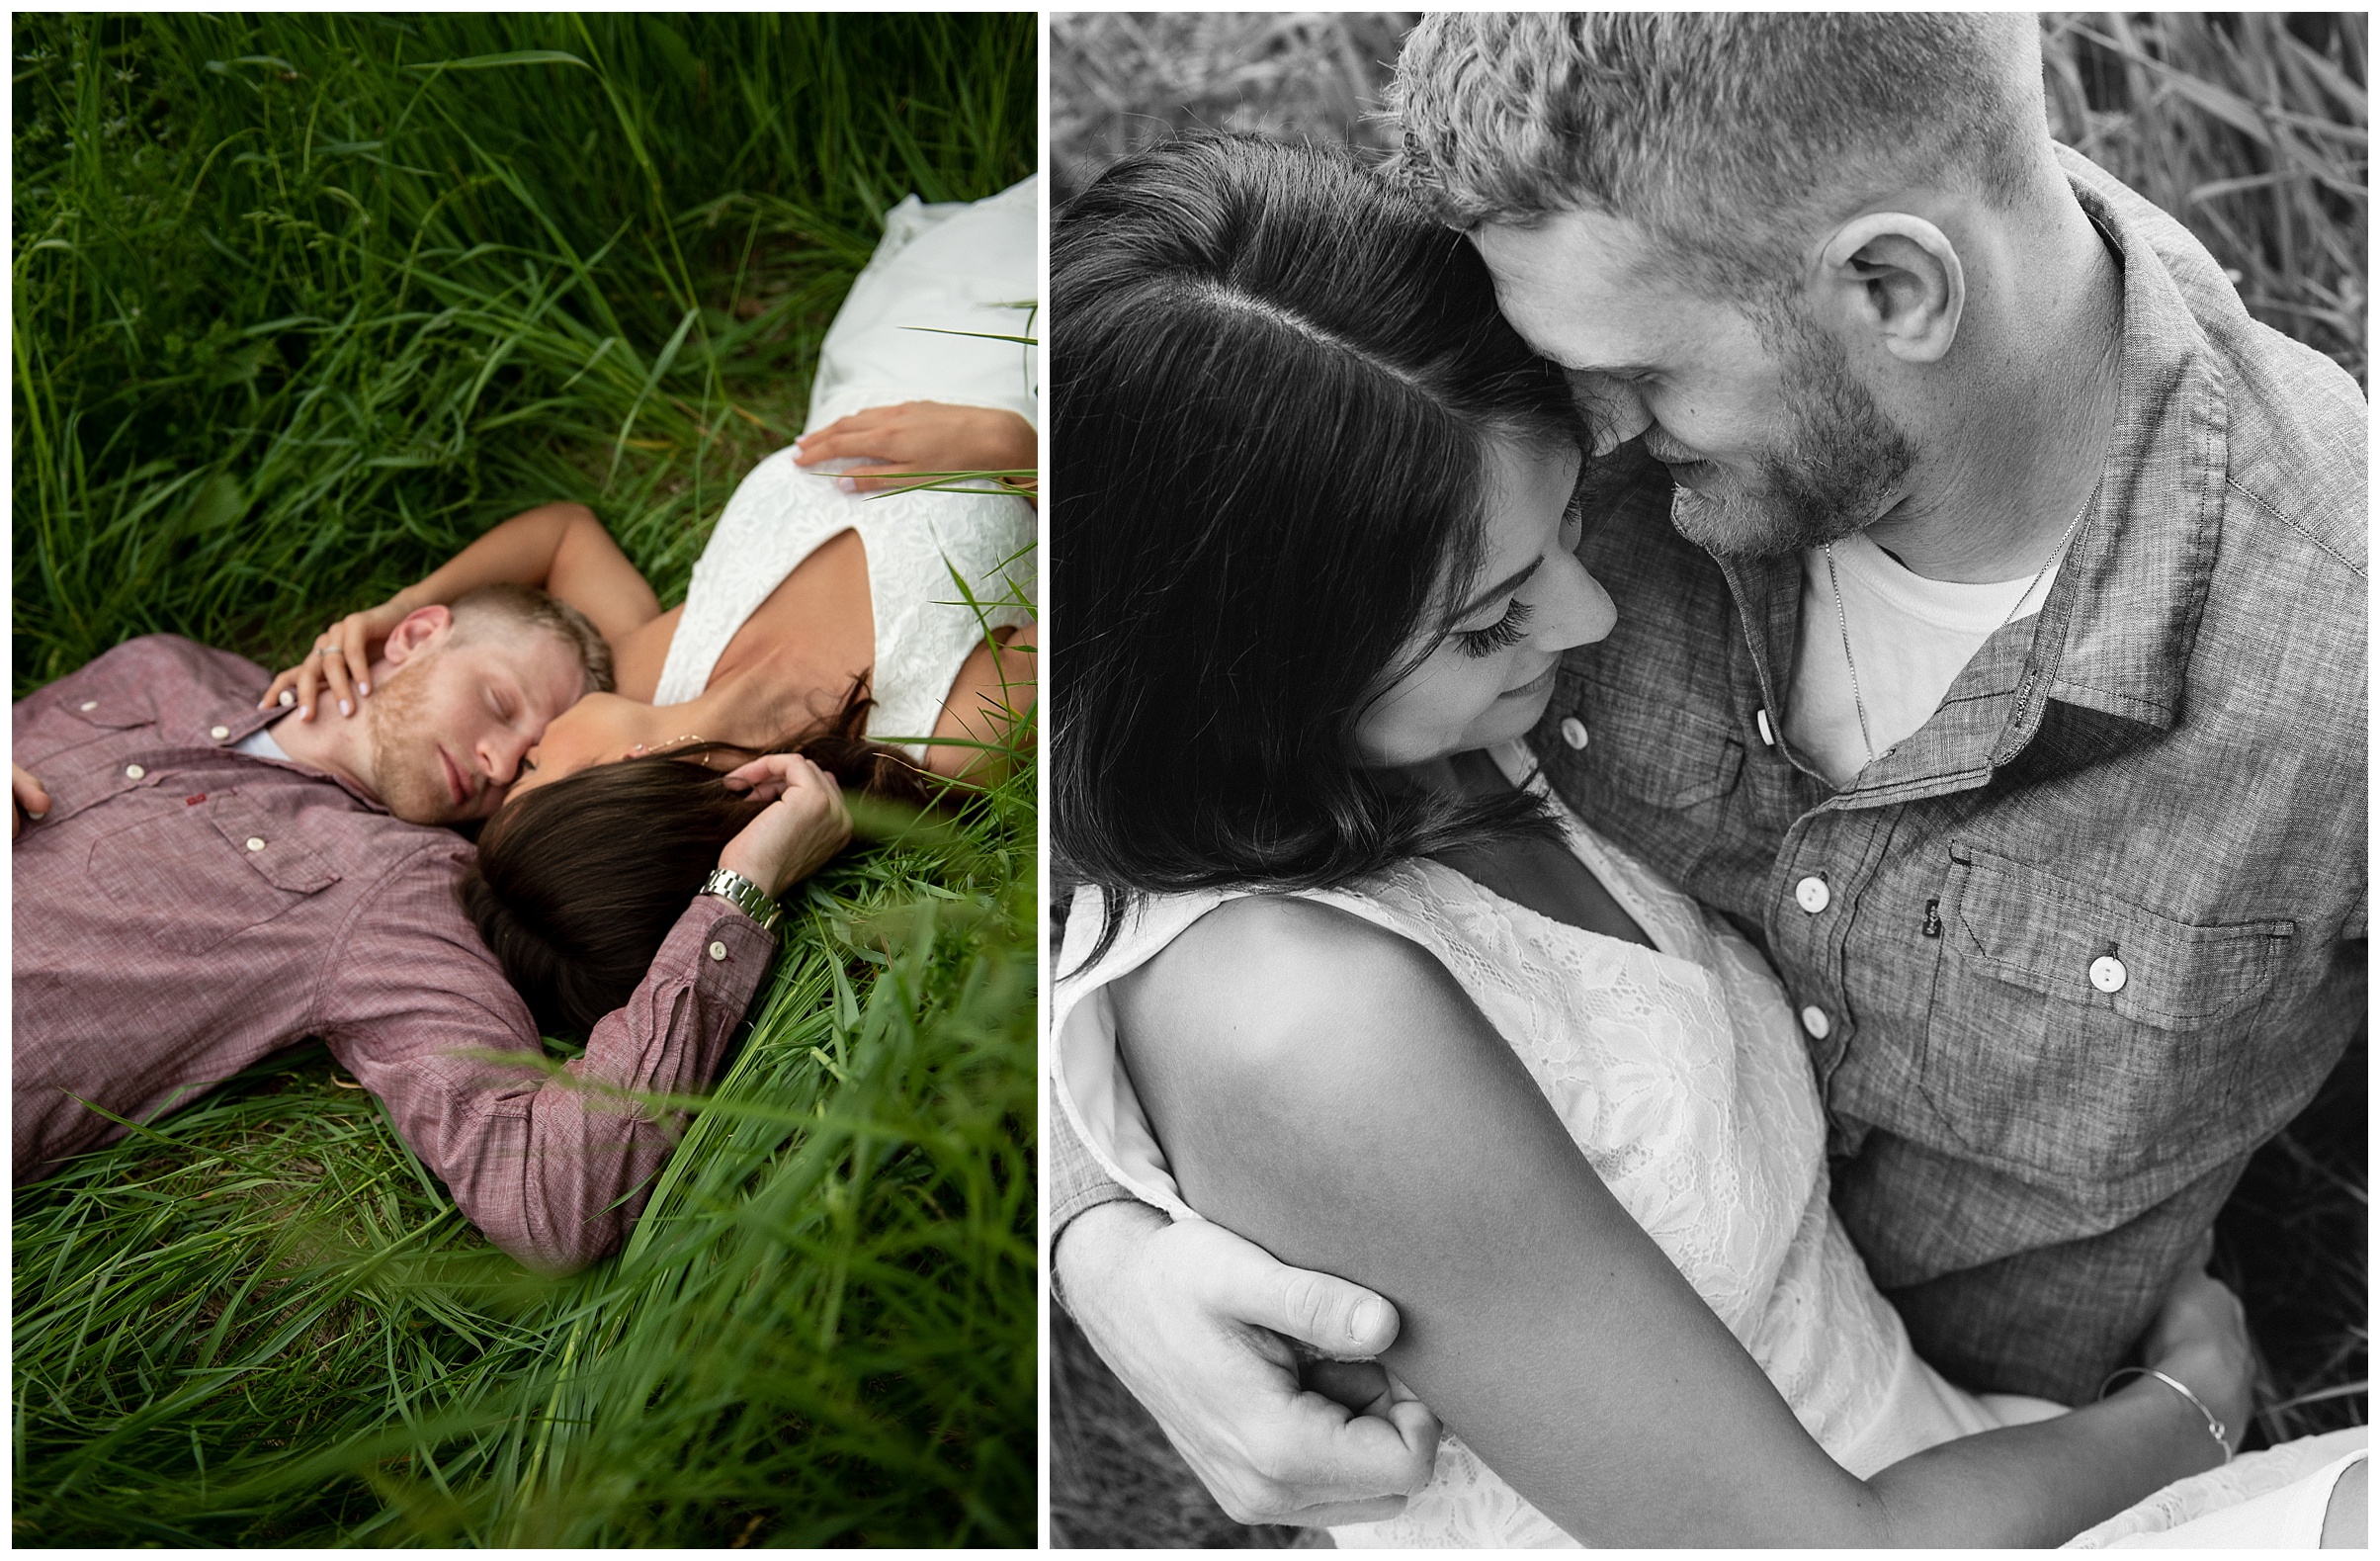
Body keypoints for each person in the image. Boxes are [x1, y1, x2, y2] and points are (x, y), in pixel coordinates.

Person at [1050, 13, 2365, 1536]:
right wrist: (1100, 1231)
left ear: (1893, 285)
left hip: (2010, 1437)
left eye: (1636, 384)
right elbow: (1147, 646)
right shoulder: (1496, 375)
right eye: (1494, 610)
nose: (1585, 441)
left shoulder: (2336, 645)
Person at [262, 177, 1042, 1029]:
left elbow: (563, 536)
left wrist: (401, 607)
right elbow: (1157, 581)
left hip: (901, 325)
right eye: (527, 770)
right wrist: (1024, 455)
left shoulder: (651, 672)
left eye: (521, 763)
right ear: (608, 778)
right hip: (1064, 382)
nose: (530, 736)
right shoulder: (948, 734)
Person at [11, 585, 852, 1272]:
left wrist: (741, 890)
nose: (494, 763)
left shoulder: (400, 897)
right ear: (415, 634)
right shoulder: (162, 665)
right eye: (498, 703)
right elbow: (564, 533)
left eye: (525, 769)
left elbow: (549, 1198)